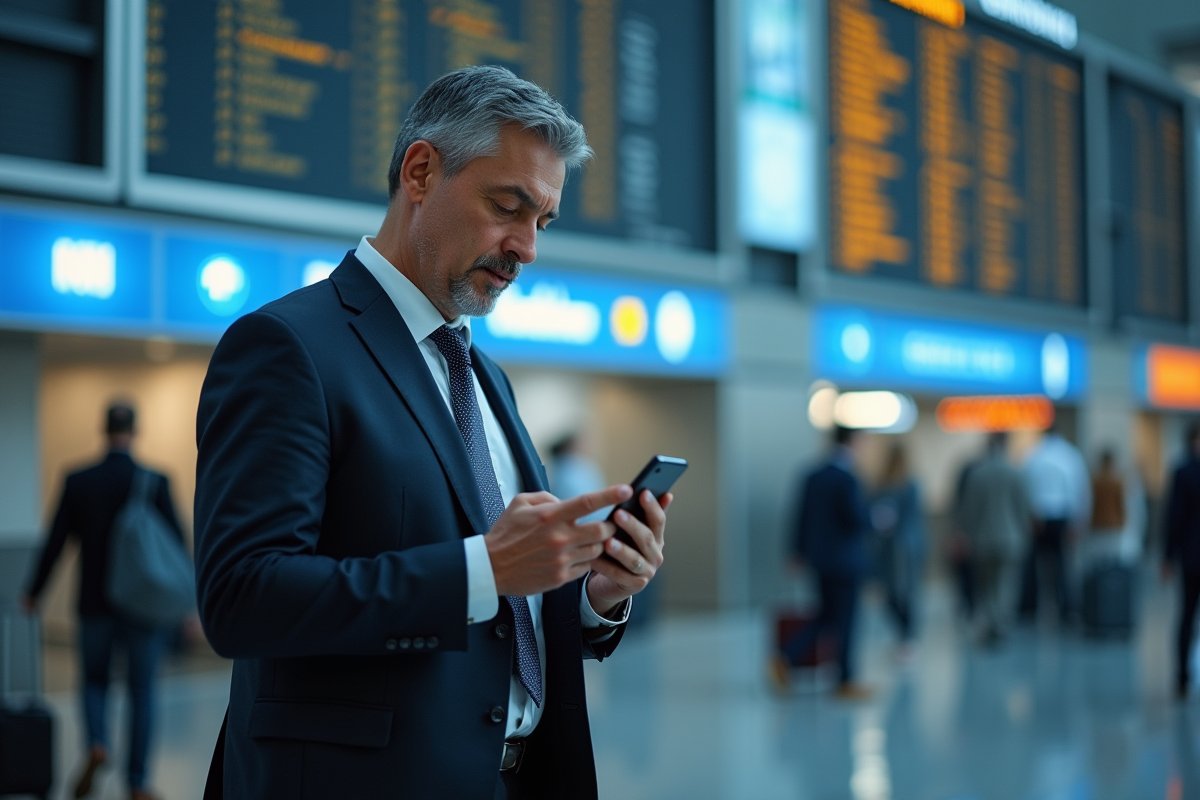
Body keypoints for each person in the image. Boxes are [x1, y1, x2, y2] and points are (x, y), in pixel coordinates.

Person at [194, 66, 672, 800]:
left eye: (541, 221)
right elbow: (242, 597)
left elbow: (499, 619)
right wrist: (483, 569)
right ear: (421, 172)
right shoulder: (290, 348)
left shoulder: (485, 374)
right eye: (507, 207)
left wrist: (590, 597)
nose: (528, 249)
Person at [22, 402, 182, 800]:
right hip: (143, 608)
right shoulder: (154, 480)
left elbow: (55, 541)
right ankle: (138, 781)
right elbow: (176, 550)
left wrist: (34, 591)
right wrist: (188, 607)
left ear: (103, 428)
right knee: (143, 691)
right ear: (136, 430)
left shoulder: (79, 480)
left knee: (94, 681)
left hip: (93, 603)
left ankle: (96, 743)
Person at [771, 426, 873, 700]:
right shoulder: (848, 478)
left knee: (826, 615)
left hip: (820, 560)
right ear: (853, 441)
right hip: (846, 562)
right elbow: (856, 519)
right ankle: (845, 680)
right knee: (846, 621)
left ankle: (786, 658)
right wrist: (876, 519)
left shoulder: (812, 475)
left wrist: (797, 552)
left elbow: (800, 516)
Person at [959, 432, 1032, 646]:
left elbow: (970, 510)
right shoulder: (1015, 473)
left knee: (987, 586)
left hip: (983, 539)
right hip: (1011, 538)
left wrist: (968, 535)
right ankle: (1002, 623)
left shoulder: (978, 474)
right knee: (1007, 583)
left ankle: (992, 622)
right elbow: (1022, 508)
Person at [1020, 423, 1091, 624]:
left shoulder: (1034, 454)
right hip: (1062, 516)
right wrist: (1078, 521)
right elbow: (1079, 490)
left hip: (1038, 517)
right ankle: (1067, 610)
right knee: (1062, 566)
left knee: (1033, 566)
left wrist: (1029, 517)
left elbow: (1026, 487)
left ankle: (1029, 609)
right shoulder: (1070, 455)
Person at [870, 444, 926, 651]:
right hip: (892, 548)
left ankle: (907, 637)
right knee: (894, 593)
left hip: (902, 548)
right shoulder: (885, 486)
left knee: (903, 593)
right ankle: (905, 636)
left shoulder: (906, 486)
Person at [1163, 422, 1200, 699]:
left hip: (1191, 553)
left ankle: (1183, 678)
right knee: (1187, 615)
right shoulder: (1184, 472)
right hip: (1192, 556)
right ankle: (1182, 676)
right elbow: (1174, 517)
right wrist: (1167, 556)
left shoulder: (1183, 471)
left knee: (1186, 616)